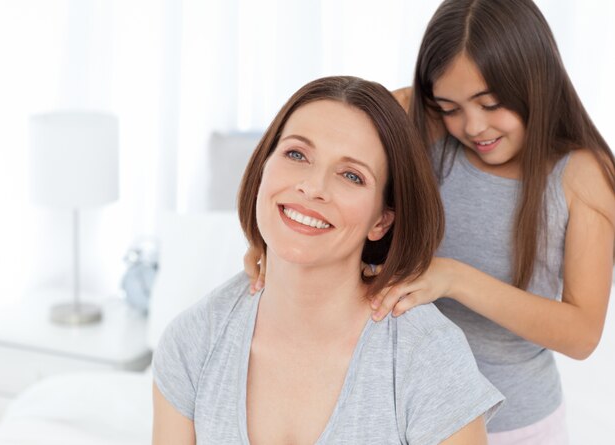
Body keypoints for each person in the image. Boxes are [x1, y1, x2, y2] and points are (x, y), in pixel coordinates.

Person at [246, 1, 615, 443]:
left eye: (491, 104)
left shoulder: (581, 175)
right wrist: (273, 237)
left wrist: (454, 279)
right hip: (403, 410)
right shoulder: (425, 124)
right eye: (449, 106)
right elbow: (322, 142)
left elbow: (581, 334)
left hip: (516, 424)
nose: (473, 126)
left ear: (537, 81)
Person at [152, 76, 503, 445]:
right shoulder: (192, 341)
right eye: (296, 154)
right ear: (263, 169)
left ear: (381, 220)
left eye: (351, 175)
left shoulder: (427, 357)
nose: (313, 188)